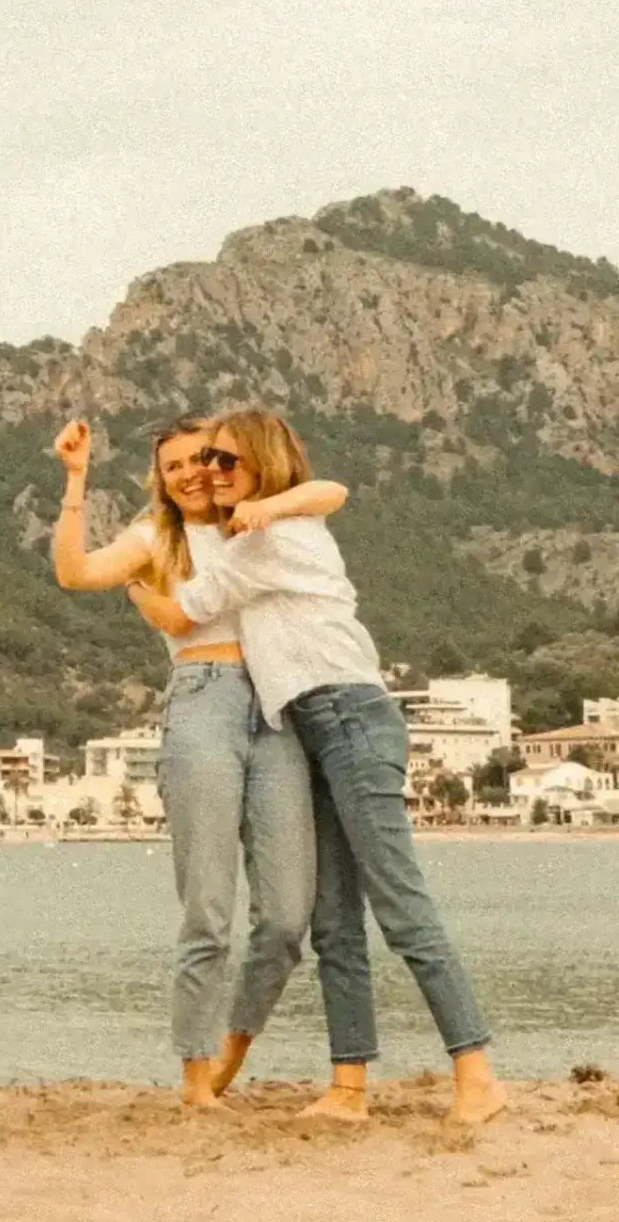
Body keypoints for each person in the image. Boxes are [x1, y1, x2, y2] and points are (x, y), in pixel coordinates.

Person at [127, 407, 506, 1126]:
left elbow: (185, 616)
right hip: (305, 727)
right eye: (205, 462)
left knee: (400, 905)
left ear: (262, 465)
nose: (210, 473)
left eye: (227, 462)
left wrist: (139, 591)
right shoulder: (263, 531)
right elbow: (322, 492)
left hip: (350, 718)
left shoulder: (273, 536)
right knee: (332, 919)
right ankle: (348, 1087)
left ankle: (476, 1069)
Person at [51, 414, 347, 1108]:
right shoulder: (159, 536)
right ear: (161, 478)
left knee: (283, 917)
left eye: (202, 459)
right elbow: (75, 572)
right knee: (208, 907)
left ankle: (232, 1047)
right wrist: (75, 480)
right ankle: (194, 1075)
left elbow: (330, 492)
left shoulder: (261, 520)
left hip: (278, 707)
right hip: (204, 702)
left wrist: (268, 502)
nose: (190, 473)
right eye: (174, 465)